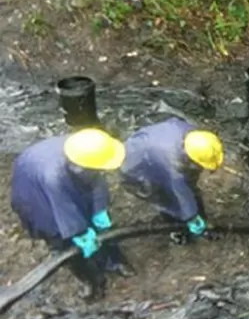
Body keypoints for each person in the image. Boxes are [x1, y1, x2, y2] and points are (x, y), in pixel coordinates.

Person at [10, 128, 135, 301]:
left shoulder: (87, 149)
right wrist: (79, 233)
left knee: (99, 226)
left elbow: (97, 182)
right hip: (35, 195)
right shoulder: (53, 177)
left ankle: (114, 261)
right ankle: (89, 280)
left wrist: (100, 210)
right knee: (62, 240)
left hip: (66, 176)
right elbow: (64, 208)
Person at [119, 117, 224, 244]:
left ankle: (198, 219)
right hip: (135, 167)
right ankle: (177, 229)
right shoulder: (174, 165)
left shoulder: (192, 134)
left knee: (188, 190)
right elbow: (181, 191)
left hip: (148, 149)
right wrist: (191, 217)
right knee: (165, 198)